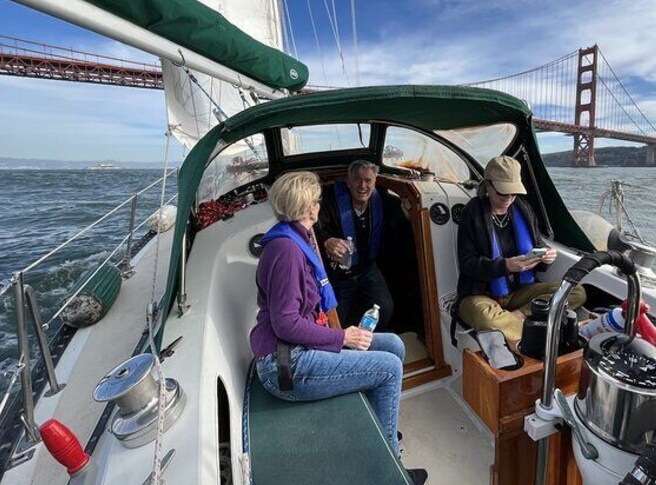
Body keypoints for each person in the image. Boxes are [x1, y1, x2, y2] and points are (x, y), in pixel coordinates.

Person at [249, 171, 427, 484]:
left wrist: (339, 337)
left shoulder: (292, 238)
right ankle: (389, 465)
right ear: (308, 209)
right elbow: (287, 324)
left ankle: (375, 428)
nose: (320, 206)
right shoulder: (288, 252)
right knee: (388, 368)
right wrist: (342, 336)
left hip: (293, 351)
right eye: (317, 201)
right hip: (285, 367)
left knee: (394, 347)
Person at [455, 155, 587, 350]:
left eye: (513, 193)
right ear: (489, 185)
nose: (509, 198)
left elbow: (538, 247)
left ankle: (519, 318)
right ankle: (541, 327)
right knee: (488, 321)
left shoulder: (523, 209)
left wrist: (546, 256)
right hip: (480, 295)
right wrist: (505, 266)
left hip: (520, 293)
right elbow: (468, 263)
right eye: (503, 193)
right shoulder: (472, 212)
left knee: (577, 291)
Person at [315, 160, 408, 330]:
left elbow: (399, 221)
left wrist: (407, 212)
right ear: (348, 182)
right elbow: (314, 229)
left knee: (386, 308)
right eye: (357, 180)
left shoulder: (383, 201)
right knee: (334, 320)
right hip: (339, 275)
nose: (362, 185)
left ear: (375, 182)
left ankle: (372, 342)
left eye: (368, 180)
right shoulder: (329, 203)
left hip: (368, 270)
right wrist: (326, 241)